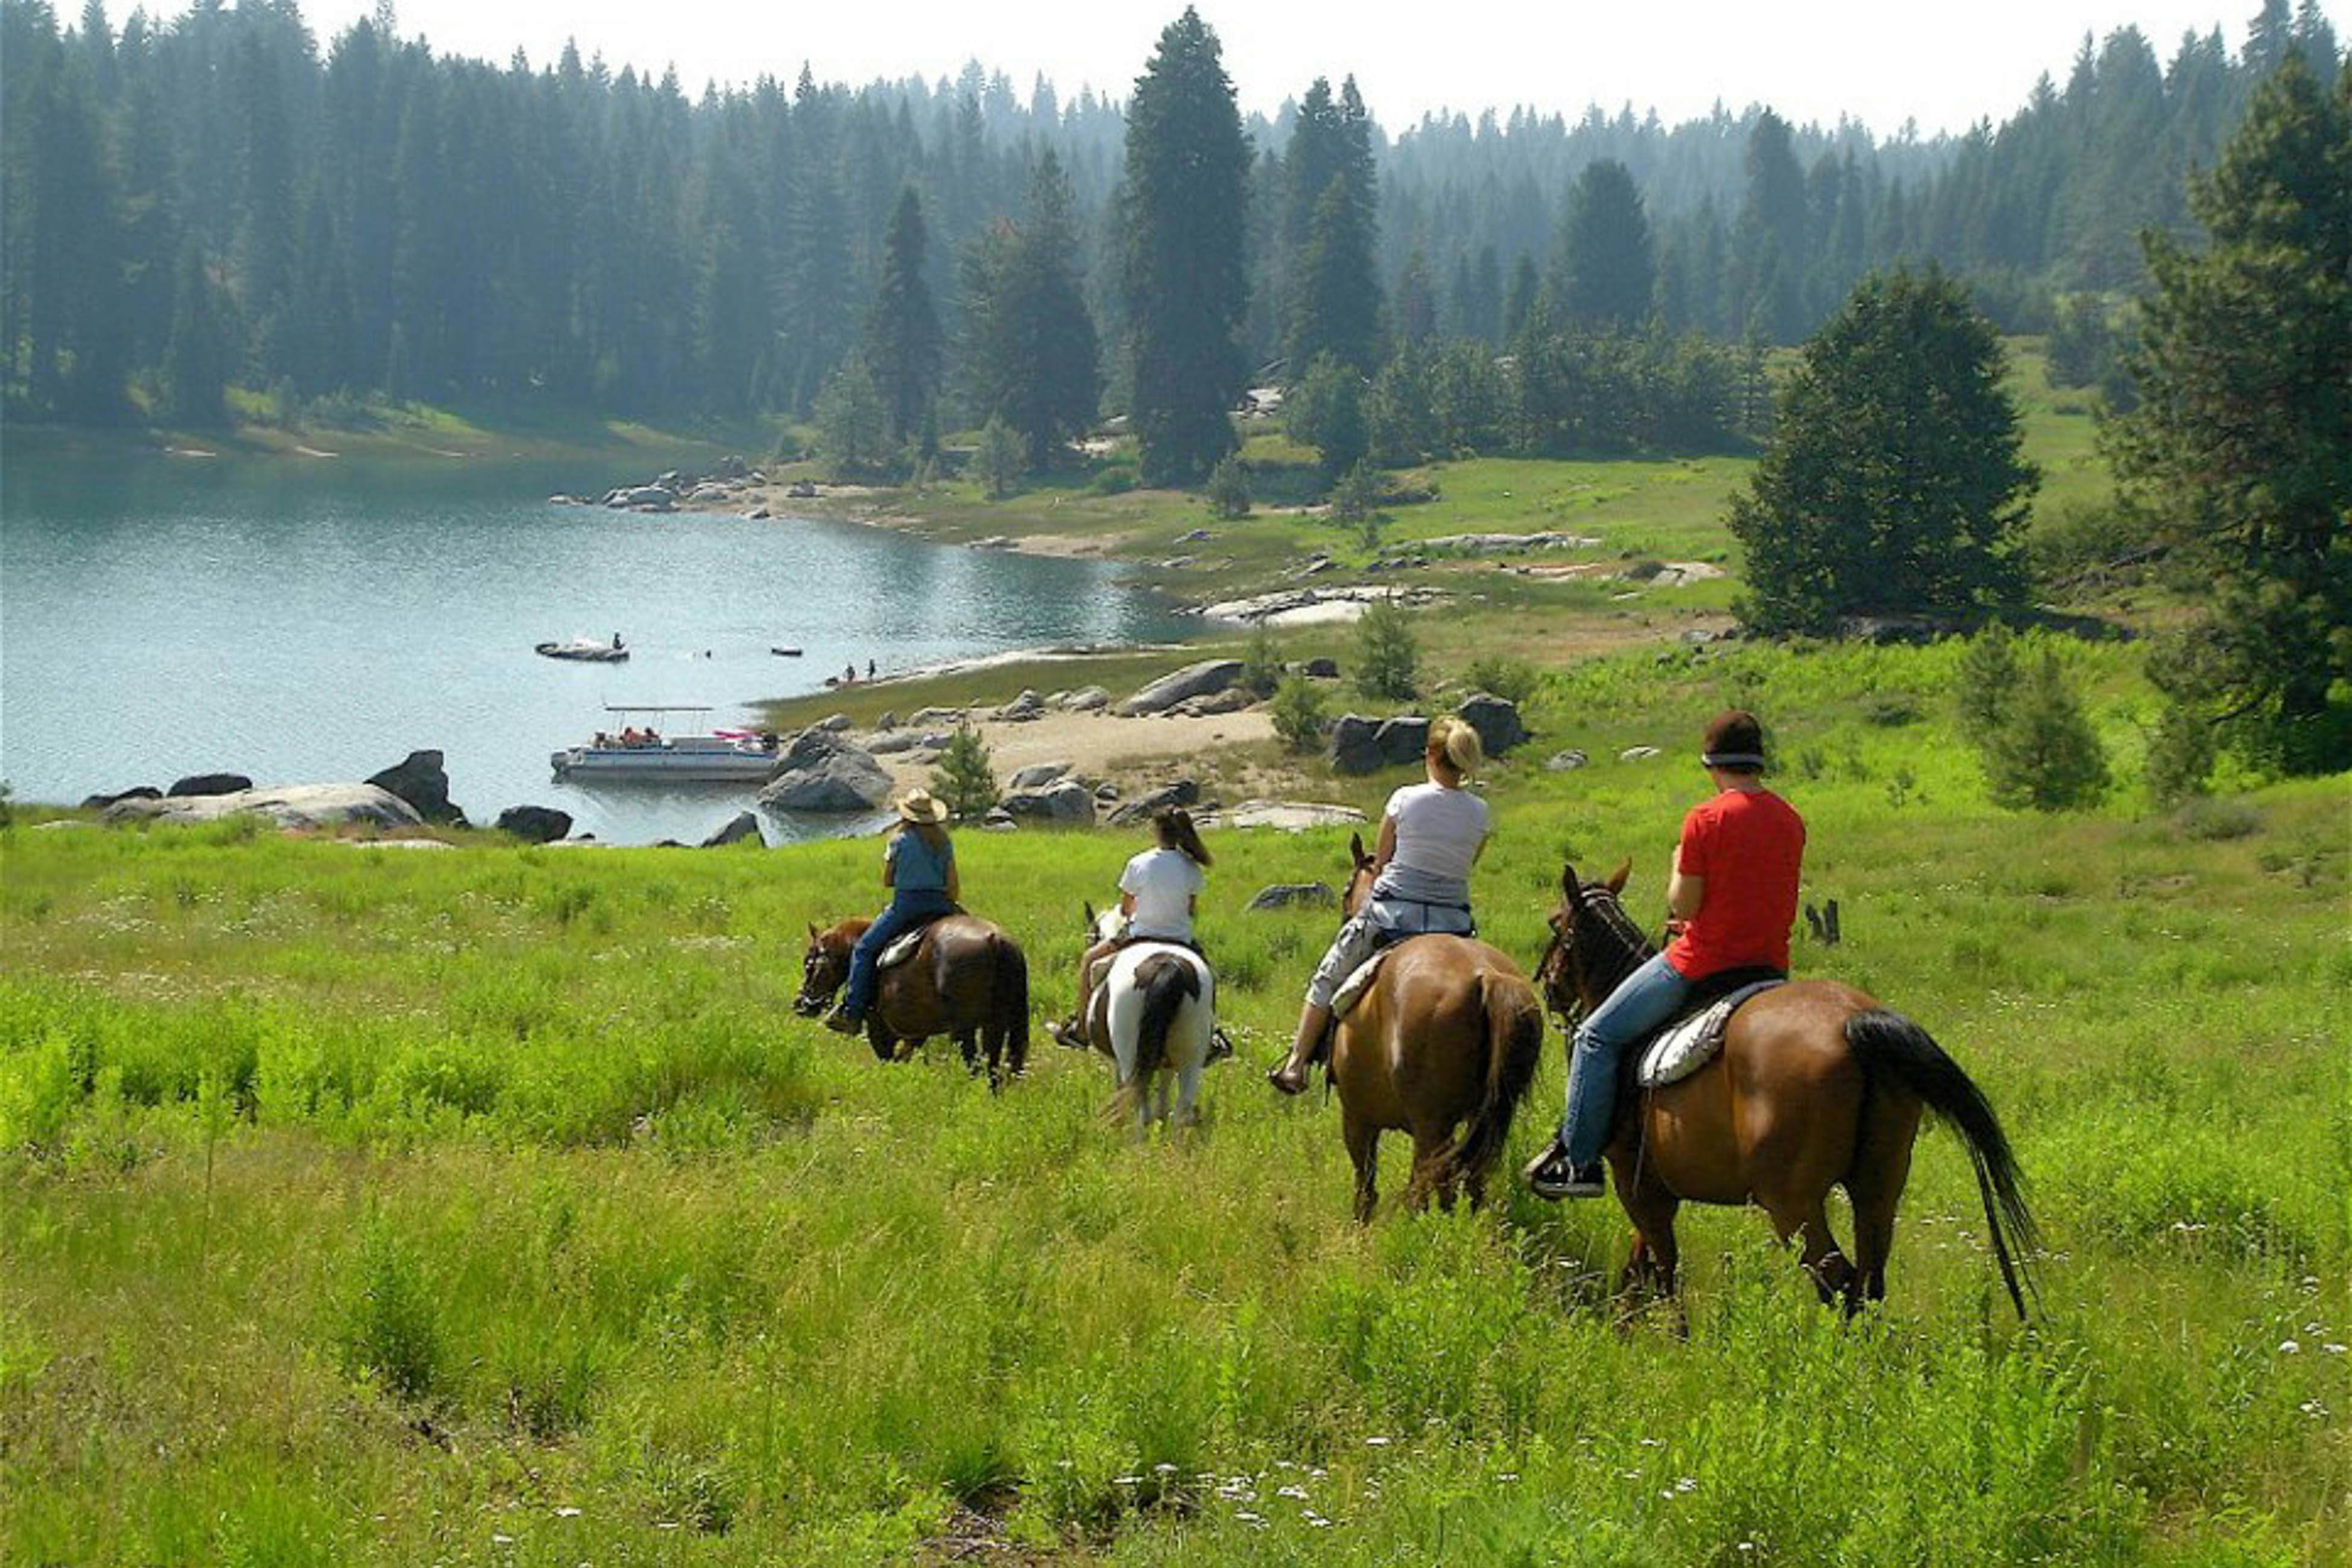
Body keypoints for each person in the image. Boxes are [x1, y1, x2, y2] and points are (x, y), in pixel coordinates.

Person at [1523, 709, 1806, 1198]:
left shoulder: (1706, 818)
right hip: (1770, 970)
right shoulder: (1790, 820)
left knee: (1594, 1037)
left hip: (1703, 965)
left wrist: (1679, 864)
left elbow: (1683, 903)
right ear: (1758, 763)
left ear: (1711, 764)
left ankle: (1580, 1163)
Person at [1269, 716, 1489, 1095]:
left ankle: (1296, 1063)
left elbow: (1383, 862)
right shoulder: (1480, 812)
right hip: (1453, 921)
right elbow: (1466, 866)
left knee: (1327, 978)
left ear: (1433, 755)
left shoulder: (1405, 798)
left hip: (1393, 914)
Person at [1055, 806, 1212, 1048]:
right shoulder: (1191, 867)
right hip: (1180, 939)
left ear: (1157, 831)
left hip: (1141, 936)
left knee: (1089, 960)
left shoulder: (1139, 863)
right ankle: (1210, 1034)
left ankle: (1082, 1030)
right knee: (1208, 976)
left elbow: (1126, 909)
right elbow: (1191, 910)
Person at [824, 788, 960, 1034]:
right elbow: (953, 883)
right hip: (941, 904)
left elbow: (888, 880)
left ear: (906, 816)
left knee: (864, 950)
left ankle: (852, 1013)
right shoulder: (944, 842)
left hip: (907, 905)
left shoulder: (898, 841)